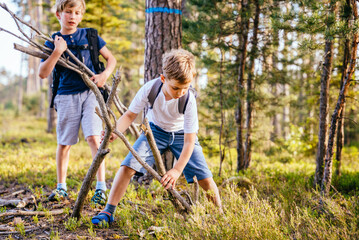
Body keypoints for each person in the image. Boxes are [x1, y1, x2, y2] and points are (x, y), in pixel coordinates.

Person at [91, 49, 222, 225]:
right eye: (176, 87)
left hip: (183, 136)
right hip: (156, 132)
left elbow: (190, 140)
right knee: (127, 167)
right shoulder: (150, 88)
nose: (180, 92)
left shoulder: (188, 98)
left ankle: (220, 215)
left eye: (185, 88)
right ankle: (108, 211)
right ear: (163, 79)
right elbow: (130, 115)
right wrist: (115, 131)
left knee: (205, 177)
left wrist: (176, 170)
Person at [38, 0, 116, 205]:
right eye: (68, 12)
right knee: (64, 143)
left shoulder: (90, 36)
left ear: (81, 16)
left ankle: (101, 188)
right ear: (59, 15)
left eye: (77, 12)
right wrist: (57, 51)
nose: (72, 16)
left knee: (93, 138)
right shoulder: (52, 41)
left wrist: (104, 75)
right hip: (65, 95)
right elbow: (42, 73)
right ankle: (61, 188)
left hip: (91, 92)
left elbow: (111, 59)